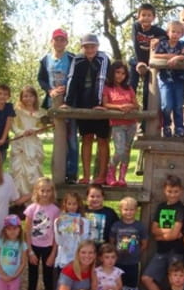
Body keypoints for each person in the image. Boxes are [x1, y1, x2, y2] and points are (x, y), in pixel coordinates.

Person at [64, 34, 111, 184]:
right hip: (82, 103)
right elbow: (71, 79)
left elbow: (102, 79)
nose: (90, 49)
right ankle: (86, 175)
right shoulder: (77, 60)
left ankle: (102, 176)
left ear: (97, 46)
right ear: (82, 47)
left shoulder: (103, 58)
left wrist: (99, 103)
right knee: (86, 138)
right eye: (86, 46)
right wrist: (68, 102)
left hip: (101, 104)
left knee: (103, 139)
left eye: (92, 46)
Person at [141, 175, 184, 290]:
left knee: (175, 282)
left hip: (176, 252)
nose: (172, 195)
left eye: (176, 191)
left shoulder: (181, 209)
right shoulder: (161, 207)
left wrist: (161, 235)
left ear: (181, 191)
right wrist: (167, 233)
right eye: (169, 191)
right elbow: (153, 229)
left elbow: (174, 235)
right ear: (164, 191)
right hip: (161, 251)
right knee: (146, 278)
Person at [38, 27, 78, 183]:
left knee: (72, 139)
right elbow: (41, 79)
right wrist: (50, 90)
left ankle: (72, 174)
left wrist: (67, 88)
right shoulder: (45, 60)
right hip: (52, 103)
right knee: (58, 139)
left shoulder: (72, 58)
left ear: (66, 42)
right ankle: (58, 173)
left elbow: (77, 78)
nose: (59, 42)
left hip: (69, 103)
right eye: (57, 39)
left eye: (62, 39)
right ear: (52, 41)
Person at [23, 177, 60, 290]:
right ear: (37, 191)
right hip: (34, 247)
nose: (45, 193)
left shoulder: (55, 210)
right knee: (32, 279)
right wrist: (30, 251)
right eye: (42, 190)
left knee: (48, 280)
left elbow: (57, 233)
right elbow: (27, 231)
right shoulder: (32, 209)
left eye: (48, 190)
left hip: (48, 248)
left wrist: (53, 253)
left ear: (52, 192)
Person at [109, 196, 148, 290]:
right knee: (118, 286)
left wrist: (136, 253)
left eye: (131, 210)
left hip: (133, 262)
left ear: (136, 210)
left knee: (131, 288)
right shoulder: (116, 225)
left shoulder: (139, 226)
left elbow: (144, 243)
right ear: (121, 210)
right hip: (119, 262)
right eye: (126, 209)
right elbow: (112, 242)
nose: (129, 212)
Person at [129, 3, 168, 121]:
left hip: (150, 65)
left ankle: (145, 121)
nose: (146, 18)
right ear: (138, 16)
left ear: (153, 18)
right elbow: (136, 45)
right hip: (136, 61)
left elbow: (167, 36)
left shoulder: (156, 30)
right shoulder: (136, 26)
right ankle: (131, 111)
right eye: (143, 15)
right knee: (131, 86)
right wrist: (140, 63)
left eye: (149, 15)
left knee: (148, 91)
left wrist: (158, 39)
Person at [102, 61, 138, 186]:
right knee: (120, 150)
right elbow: (105, 104)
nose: (120, 76)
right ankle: (110, 172)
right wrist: (119, 107)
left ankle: (122, 177)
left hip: (131, 124)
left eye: (123, 73)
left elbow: (136, 104)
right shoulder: (107, 88)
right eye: (117, 72)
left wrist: (130, 106)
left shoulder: (129, 88)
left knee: (127, 150)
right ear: (112, 73)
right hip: (117, 124)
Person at [153, 20, 184, 138]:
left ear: (181, 34)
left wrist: (177, 57)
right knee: (167, 105)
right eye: (173, 31)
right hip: (165, 80)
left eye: (178, 33)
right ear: (168, 32)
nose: (175, 35)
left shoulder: (181, 45)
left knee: (178, 105)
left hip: (179, 79)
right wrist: (168, 56)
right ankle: (167, 125)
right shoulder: (163, 44)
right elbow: (155, 55)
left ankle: (179, 127)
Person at [10, 85, 46, 200]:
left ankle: (33, 197)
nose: (28, 99)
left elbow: (42, 127)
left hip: (33, 142)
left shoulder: (40, 112)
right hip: (21, 142)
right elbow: (14, 126)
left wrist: (34, 131)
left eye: (31, 96)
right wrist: (22, 132)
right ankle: (18, 197)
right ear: (21, 98)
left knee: (34, 168)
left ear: (35, 98)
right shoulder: (17, 111)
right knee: (19, 170)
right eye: (25, 96)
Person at [52, 192, 91, 278]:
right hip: (64, 259)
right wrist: (58, 229)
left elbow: (84, 243)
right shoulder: (59, 221)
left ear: (78, 205)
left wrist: (81, 228)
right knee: (62, 285)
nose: (72, 207)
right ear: (65, 205)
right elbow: (59, 242)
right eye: (69, 204)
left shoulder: (85, 221)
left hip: (78, 259)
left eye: (74, 204)